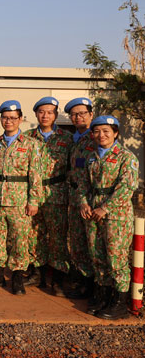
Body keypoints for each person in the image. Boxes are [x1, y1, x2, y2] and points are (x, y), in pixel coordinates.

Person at [0, 100, 42, 295]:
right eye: (5, 118)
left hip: (19, 201)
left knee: (19, 239)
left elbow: (36, 175)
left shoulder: (31, 144)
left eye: (13, 118)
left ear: (20, 119)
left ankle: (17, 276)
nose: (9, 121)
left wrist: (33, 201)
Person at [79, 115, 138, 320]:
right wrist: (84, 202)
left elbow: (126, 187)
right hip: (93, 213)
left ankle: (120, 302)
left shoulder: (126, 157)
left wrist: (106, 208)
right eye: (97, 131)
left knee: (116, 258)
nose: (101, 135)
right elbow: (84, 184)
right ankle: (103, 296)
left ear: (115, 134)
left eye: (106, 131)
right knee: (97, 256)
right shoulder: (92, 157)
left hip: (116, 216)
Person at [24, 97, 73, 294]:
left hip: (56, 193)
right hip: (32, 194)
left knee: (57, 237)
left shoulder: (66, 139)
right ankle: (37, 273)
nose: (45, 115)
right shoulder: (27, 137)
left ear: (55, 115)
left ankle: (59, 278)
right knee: (34, 235)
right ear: (36, 113)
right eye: (42, 112)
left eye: (50, 112)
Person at [64, 97, 96, 299]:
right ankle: (84, 282)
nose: (78, 117)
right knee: (77, 243)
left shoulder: (97, 137)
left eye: (82, 113)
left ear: (91, 115)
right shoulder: (71, 139)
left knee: (93, 242)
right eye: (74, 114)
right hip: (74, 197)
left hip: (92, 199)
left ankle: (96, 285)